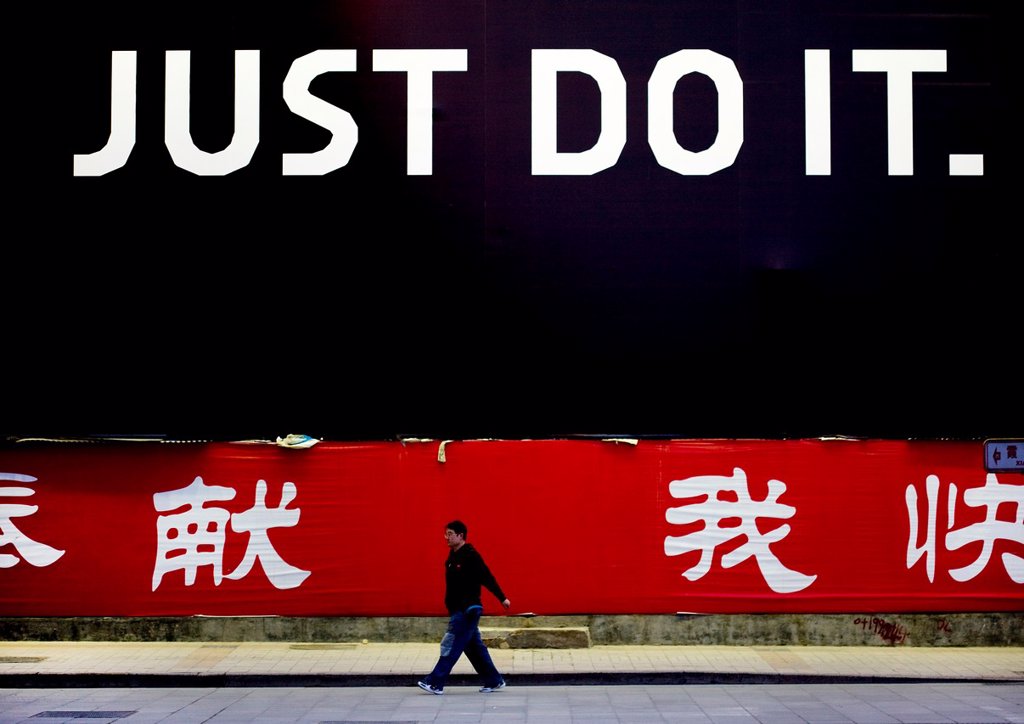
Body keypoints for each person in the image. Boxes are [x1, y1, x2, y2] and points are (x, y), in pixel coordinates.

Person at [417, 519, 511, 695]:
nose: (446, 537)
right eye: (446, 534)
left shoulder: (471, 555)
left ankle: (435, 682)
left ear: (461, 536)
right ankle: (494, 680)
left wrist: (502, 598)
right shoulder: (453, 556)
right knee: (474, 648)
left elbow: (486, 577)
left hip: (467, 610)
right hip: (457, 609)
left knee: (450, 645)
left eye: (450, 534)